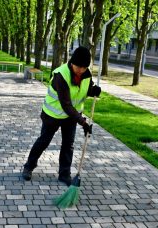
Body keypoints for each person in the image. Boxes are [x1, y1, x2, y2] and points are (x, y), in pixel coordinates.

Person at [22, 46, 101, 186]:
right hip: (53, 115)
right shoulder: (61, 75)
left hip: (71, 117)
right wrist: (83, 122)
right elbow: (66, 104)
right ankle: (28, 167)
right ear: (72, 62)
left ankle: (64, 174)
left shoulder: (86, 75)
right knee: (43, 141)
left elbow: (83, 90)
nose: (81, 70)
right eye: (78, 67)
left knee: (68, 145)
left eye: (84, 68)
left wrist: (93, 90)